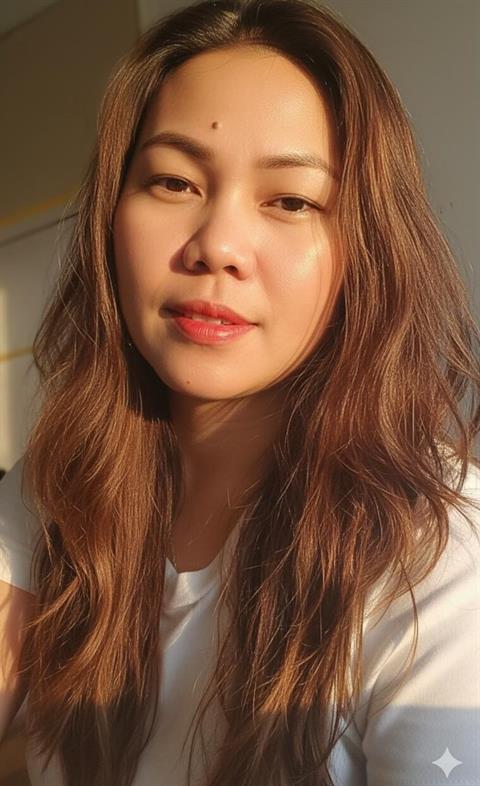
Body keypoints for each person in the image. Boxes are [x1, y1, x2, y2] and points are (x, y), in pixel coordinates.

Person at [0, 0, 479, 784]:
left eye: (291, 200)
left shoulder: (439, 558)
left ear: (366, 249)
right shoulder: (61, 486)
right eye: (174, 181)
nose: (218, 245)